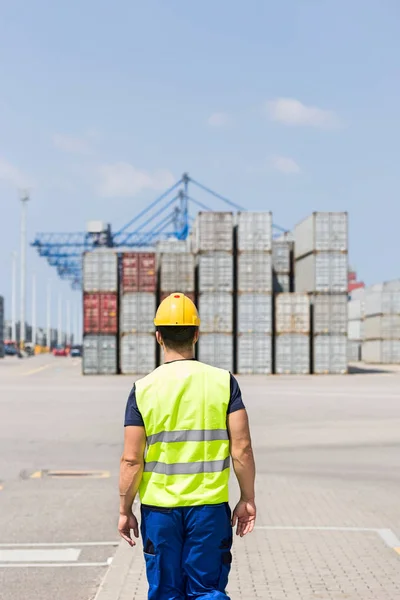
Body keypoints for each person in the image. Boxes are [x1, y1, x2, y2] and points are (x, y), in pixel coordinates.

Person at [119, 293, 256, 599]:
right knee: (207, 590)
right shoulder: (224, 382)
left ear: (158, 336)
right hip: (209, 509)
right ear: (196, 334)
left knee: (166, 593)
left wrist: (125, 508)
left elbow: (131, 460)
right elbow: (242, 448)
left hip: (159, 512)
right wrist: (247, 497)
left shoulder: (142, 389)